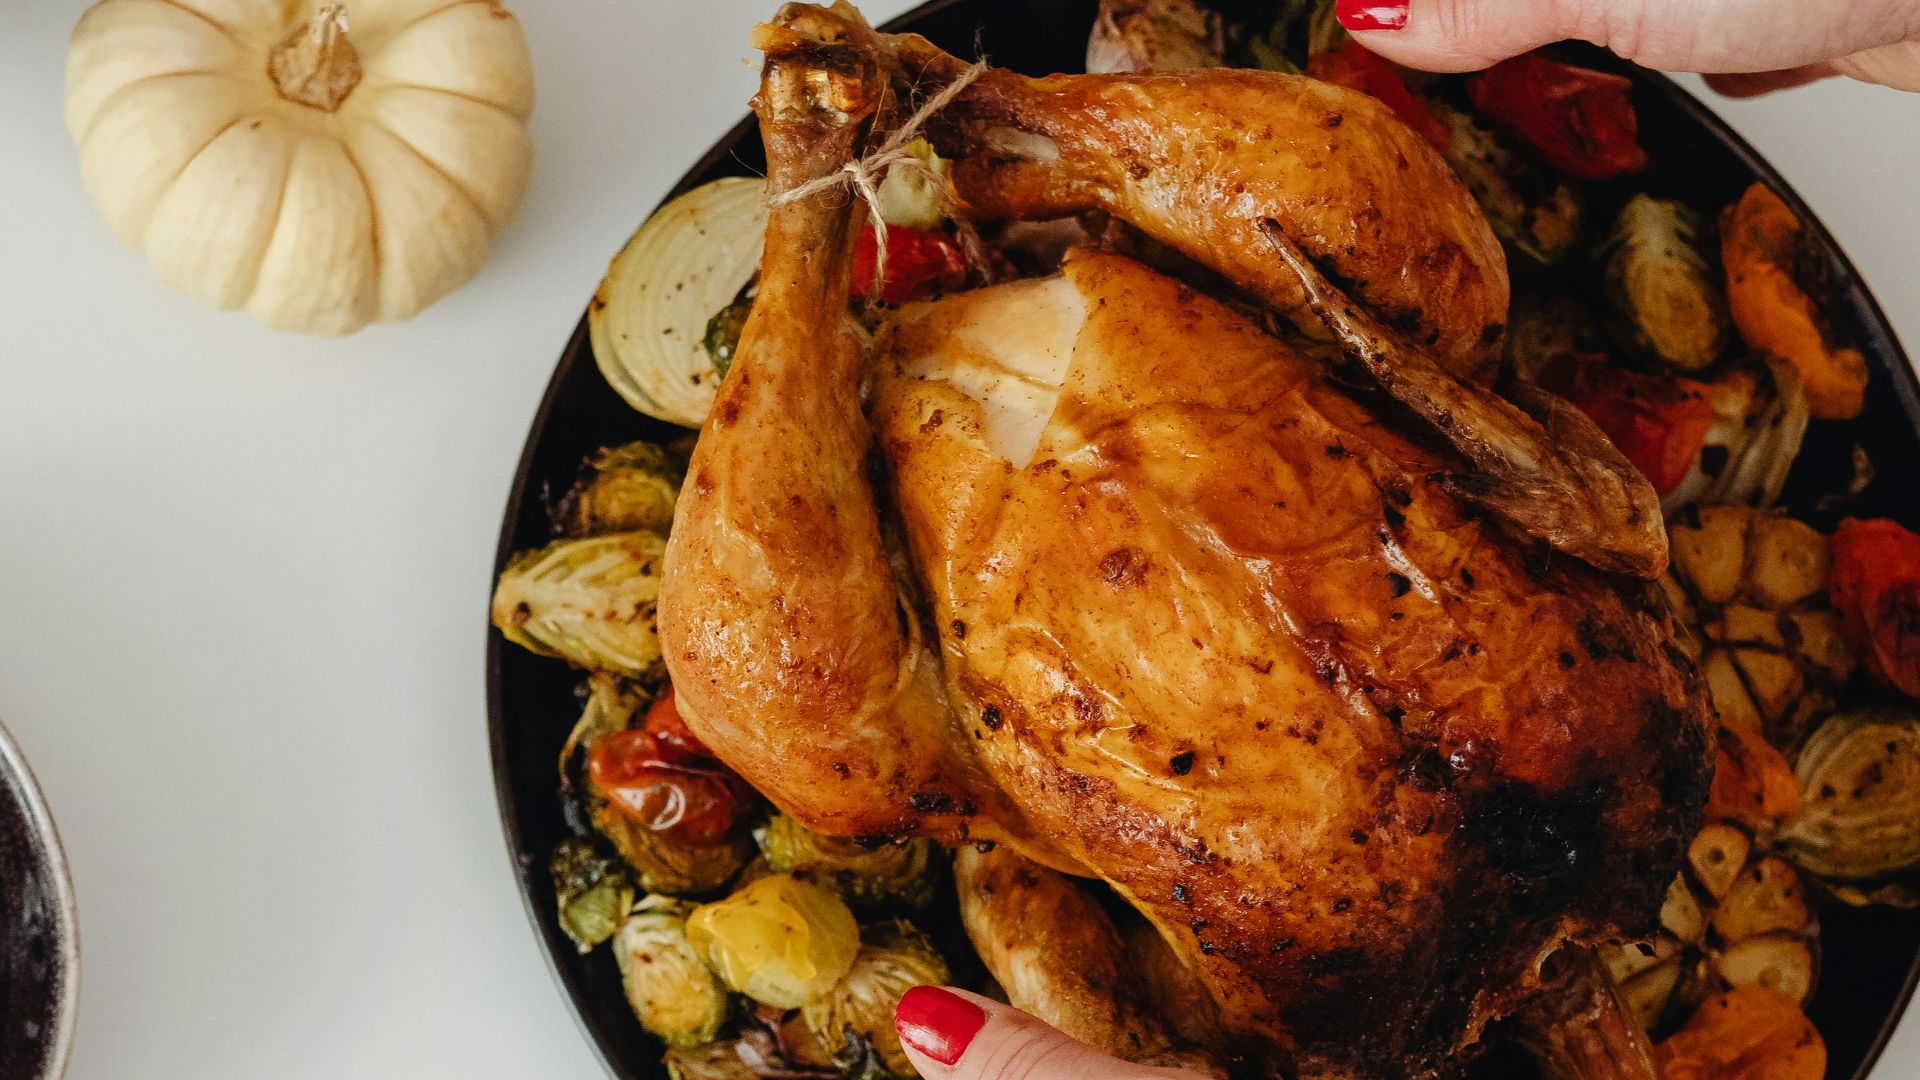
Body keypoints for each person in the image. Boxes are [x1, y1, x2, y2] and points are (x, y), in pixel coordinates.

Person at [888, 5, 1918, 1080]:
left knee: (876, 769)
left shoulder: (1341, 1019)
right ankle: (1025, 118)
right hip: (1198, 302)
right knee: (1448, 291)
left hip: (931, 509)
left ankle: (916, 154)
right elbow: (1610, 515)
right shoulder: (1647, 753)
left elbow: (1022, 879)